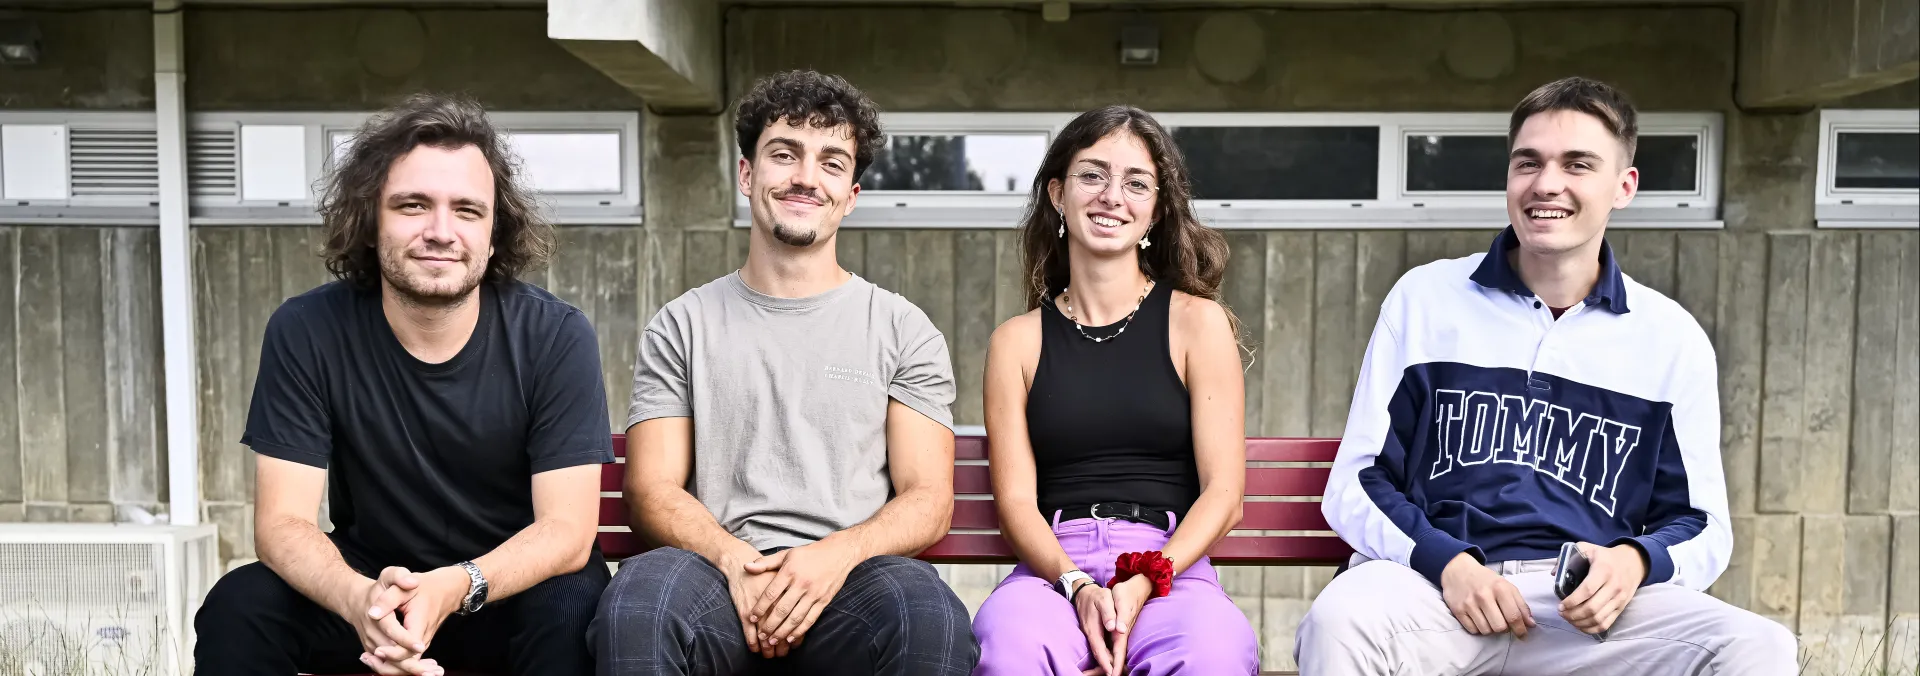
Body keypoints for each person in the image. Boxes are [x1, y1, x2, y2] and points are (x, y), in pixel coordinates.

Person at [1296, 76, 1798, 674]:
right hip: (1435, 595)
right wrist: (1447, 564)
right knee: (1340, 621)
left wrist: (1634, 562)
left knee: (1758, 647)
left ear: (1624, 186)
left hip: (1587, 618)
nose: (1546, 184)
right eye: (1527, 163)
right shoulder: (1425, 299)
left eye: (1578, 164)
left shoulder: (1671, 338)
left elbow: (1702, 525)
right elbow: (1356, 482)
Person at [192, 93, 613, 676]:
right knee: (241, 606)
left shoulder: (556, 336)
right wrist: (359, 600)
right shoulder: (306, 330)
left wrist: (455, 586)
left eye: (467, 211)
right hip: (374, 586)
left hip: (508, 588)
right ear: (370, 221)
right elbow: (282, 524)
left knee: (575, 608)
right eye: (413, 206)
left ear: (494, 236)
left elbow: (566, 533)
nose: (441, 231)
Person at [589, 69, 977, 676]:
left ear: (850, 194)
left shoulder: (903, 329)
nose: (804, 177)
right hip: (716, 576)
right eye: (784, 154)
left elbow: (928, 498)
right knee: (639, 603)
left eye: (831, 162)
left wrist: (831, 558)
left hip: (852, 582)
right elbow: (650, 490)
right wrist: (735, 561)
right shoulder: (681, 324)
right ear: (747, 175)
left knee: (929, 618)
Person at [969, 105, 1259, 676]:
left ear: (1155, 209)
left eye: (1136, 183)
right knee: (1009, 649)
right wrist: (1076, 584)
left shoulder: (1197, 324)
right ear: (1058, 193)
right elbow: (1016, 505)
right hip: (1054, 567)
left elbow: (1225, 494)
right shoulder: (1015, 344)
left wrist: (1147, 576)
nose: (1112, 196)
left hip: (1171, 561)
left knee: (1213, 654)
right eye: (1092, 175)